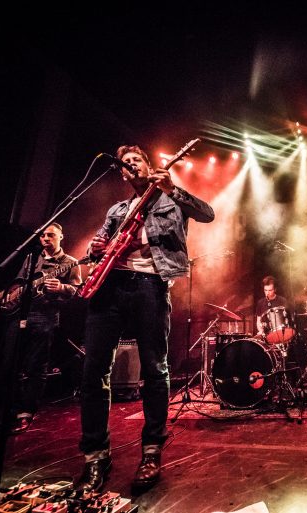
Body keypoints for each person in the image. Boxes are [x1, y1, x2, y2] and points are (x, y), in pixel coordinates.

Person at [77, 144, 215, 492]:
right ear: (122, 173)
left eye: (136, 160)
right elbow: (99, 241)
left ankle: (151, 452)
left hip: (149, 286)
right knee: (93, 371)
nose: (131, 165)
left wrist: (172, 188)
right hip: (110, 286)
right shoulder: (118, 208)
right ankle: (96, 456)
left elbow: (207, 213)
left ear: (148, 165)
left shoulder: (170, 200)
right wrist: (96, 246)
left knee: (156, 370)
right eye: (125, 164)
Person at [0, 222, 83, 433]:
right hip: (19, 316)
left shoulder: (70, 262)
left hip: (45, 317)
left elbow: (78, 290)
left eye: (51, 235)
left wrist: (62, 287)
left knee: (36, 367)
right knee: (10, 365)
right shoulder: (31, 259)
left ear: (60, 237)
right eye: (43, 235)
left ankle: (26, 413)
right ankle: (11, 412)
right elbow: (17, 286)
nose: (46, 238)